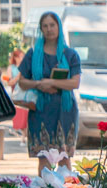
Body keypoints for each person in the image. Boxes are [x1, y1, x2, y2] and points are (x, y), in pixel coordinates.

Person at [16, 12, 82, 174]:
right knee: (43, 157)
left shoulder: (70, 54)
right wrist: (39, 84)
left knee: (64, 157)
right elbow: (22, 82)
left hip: (65, 111)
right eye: (45, 26)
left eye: (52, 25)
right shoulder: (33, 54)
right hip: (40, 111)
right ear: (40, 29)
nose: (49, 29)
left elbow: (75, 83)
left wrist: (51, 82)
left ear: (59, 27)